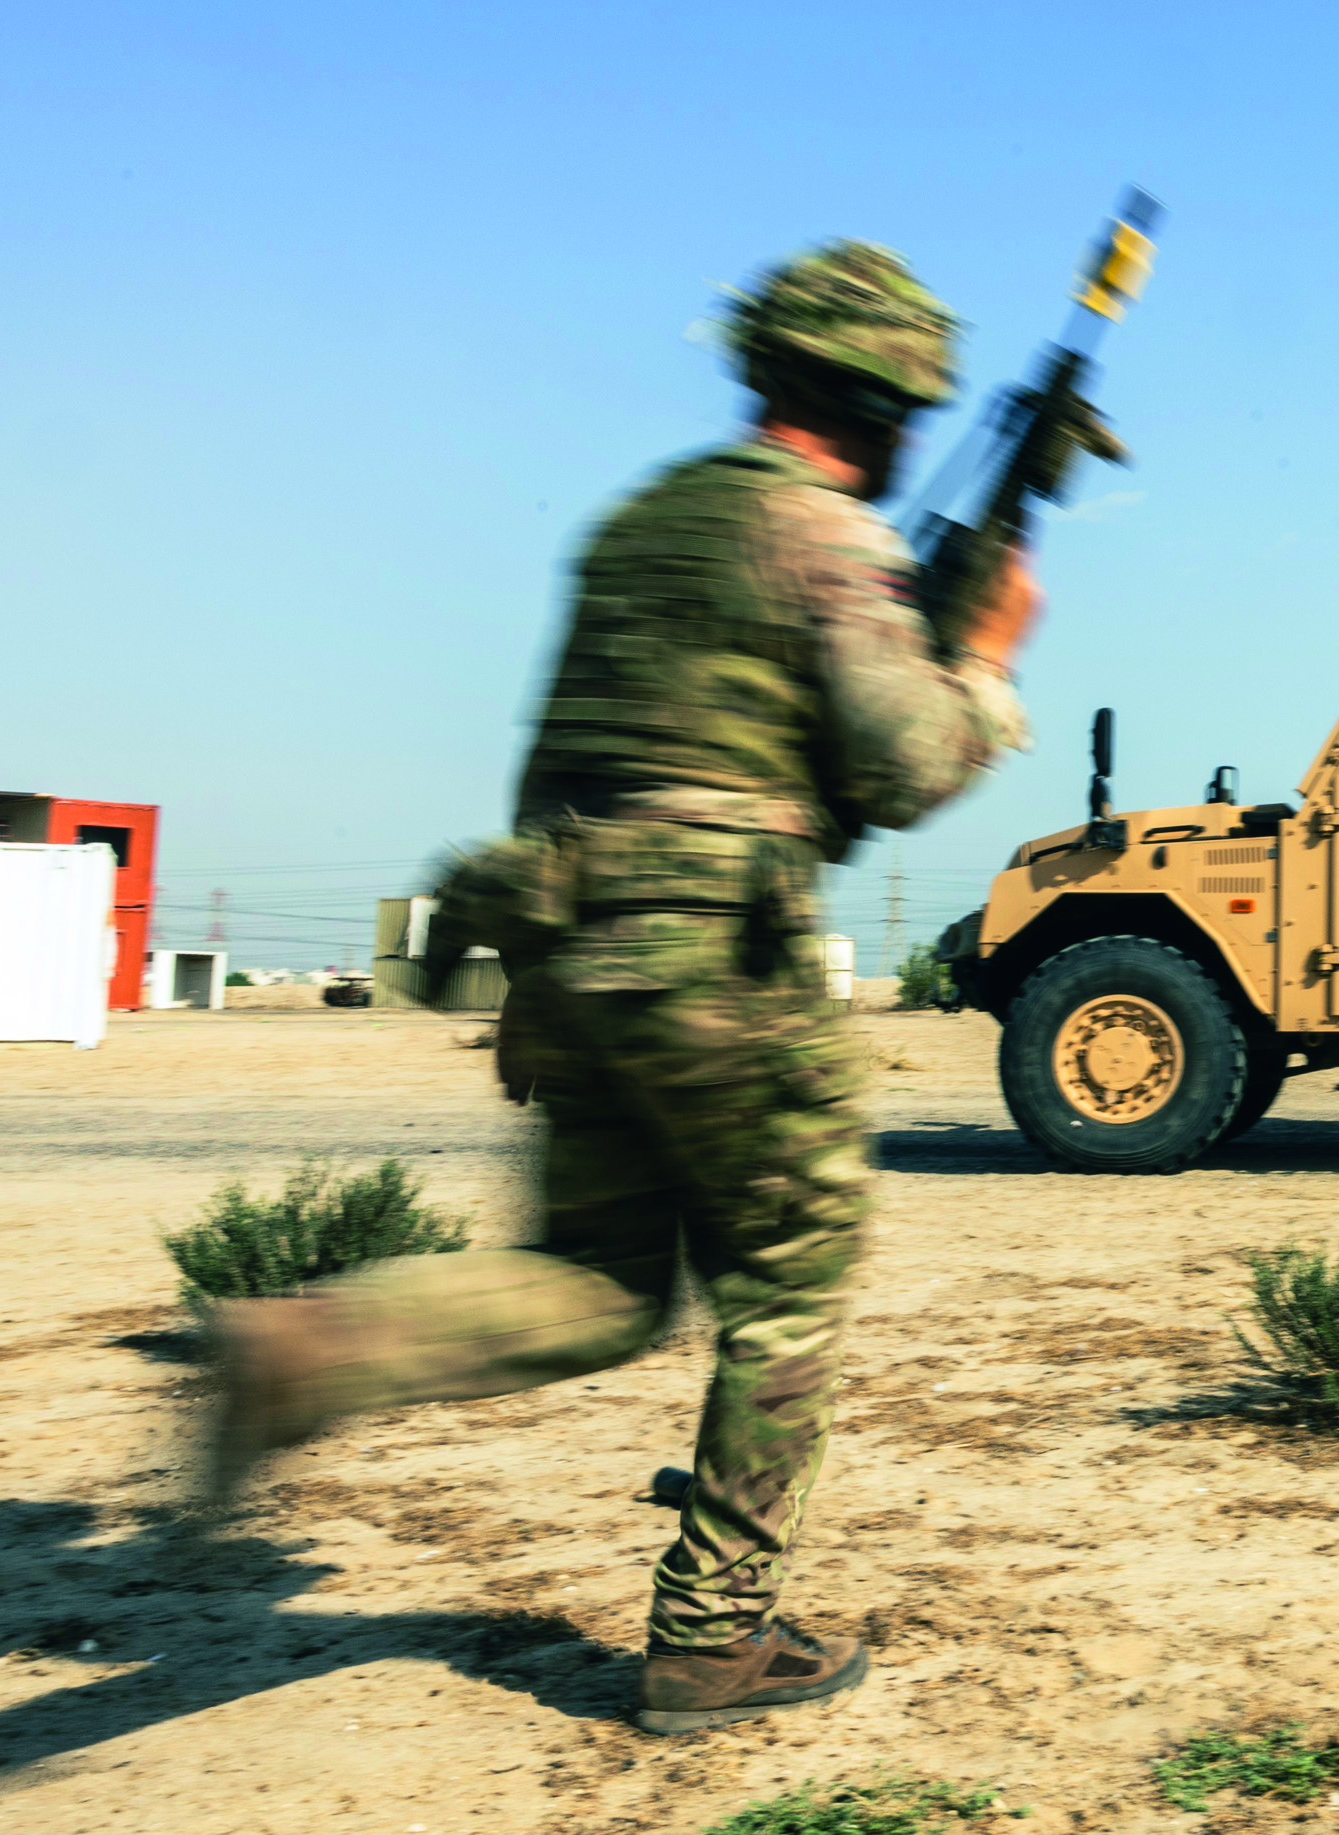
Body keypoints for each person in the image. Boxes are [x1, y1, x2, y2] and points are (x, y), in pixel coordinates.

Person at [197, 241, 1040, 1734]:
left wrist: (531, 981)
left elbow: (554, 762)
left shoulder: (640, 524)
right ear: (895, 394)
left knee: (593, 1280)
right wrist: (981, 660)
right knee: (787, 1282)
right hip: (723, 950)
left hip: (579, 930)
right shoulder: (823, 536)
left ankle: (307, 1342)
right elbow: (905, 764)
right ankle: (714, 1636)